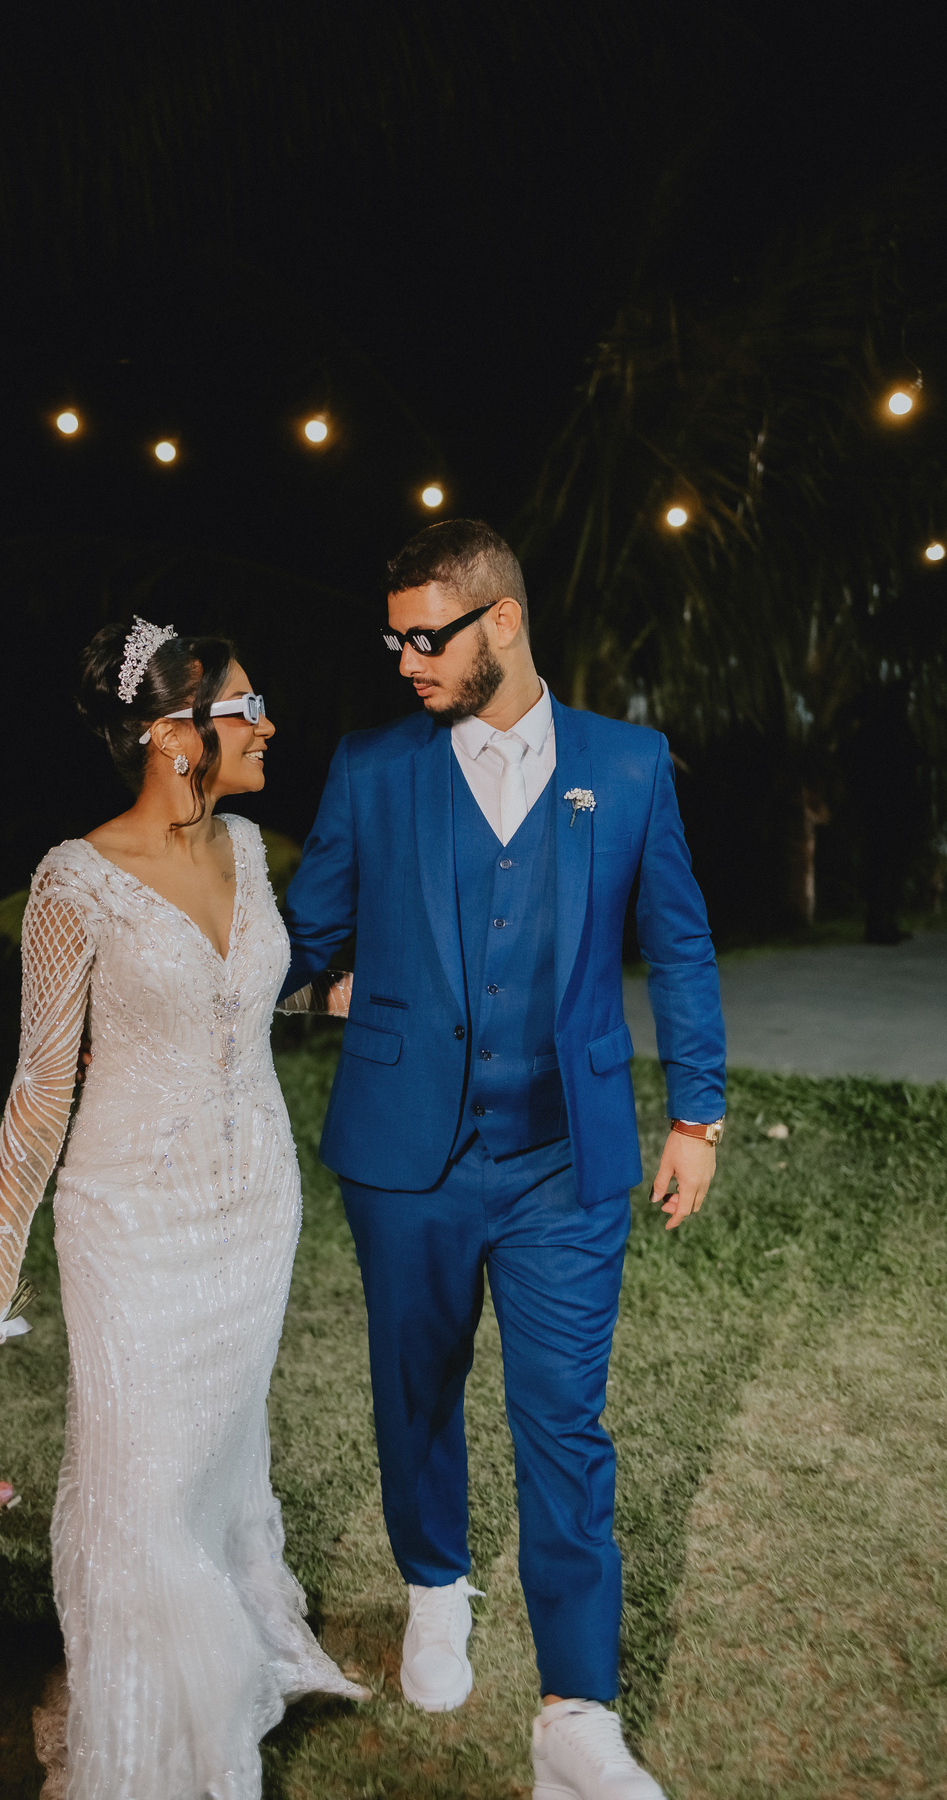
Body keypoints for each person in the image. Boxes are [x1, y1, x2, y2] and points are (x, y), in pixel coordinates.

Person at [280, 520, 726, 1800]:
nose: (407, 661)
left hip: (563, 1160)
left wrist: (696, 1117)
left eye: (429, 636)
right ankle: (436, 1584)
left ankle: (575, 1714)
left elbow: (678, 941)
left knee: (567, 1425)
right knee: (415, 1389)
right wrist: (243, 973)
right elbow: (302, 942)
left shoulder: (627, 765)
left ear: (505, 620)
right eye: (394, 640)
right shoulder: (373, 768)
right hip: (404, 1155)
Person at [0, 620, 364, 1800]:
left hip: (254, 1209)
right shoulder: (73, 882)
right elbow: (44, 1085)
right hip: (129, 1224)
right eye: (247, 707)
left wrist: (347, 997)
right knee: (141, 1487)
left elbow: (244, 999)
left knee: (215, 1463)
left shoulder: (246, 847)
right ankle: (158, 1742)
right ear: (176, 736)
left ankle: (224, 1660)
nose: (268, 724)